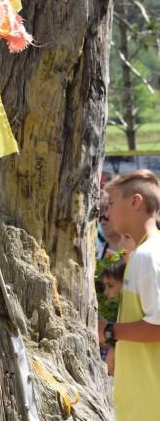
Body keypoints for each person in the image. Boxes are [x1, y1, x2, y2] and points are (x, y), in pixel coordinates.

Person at [98, 169, 160, 421]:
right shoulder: (140, 254)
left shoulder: (148, 256)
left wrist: (109, 330)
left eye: (112, 203)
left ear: (135, 202)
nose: (107, 212)